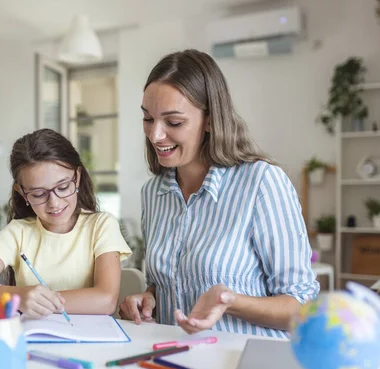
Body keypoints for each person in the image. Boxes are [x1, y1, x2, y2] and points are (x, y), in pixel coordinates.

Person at [118, 49, 319, 338]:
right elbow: (164, 284)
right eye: (148, 119)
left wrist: (231, 302)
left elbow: (302, 308)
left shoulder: (261, 182)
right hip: (173, 359)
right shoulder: (154, 192)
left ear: (211, 120)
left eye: (173, 122)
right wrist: (149, 298)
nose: (155, 135)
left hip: (243, 364)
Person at [0, 129, 132, 318]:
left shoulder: (101, 226)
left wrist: (41, 301)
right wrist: (19, 296)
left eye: (63, 187)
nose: (54, 203)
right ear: (22, 193)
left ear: (77, 177)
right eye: (39, 194)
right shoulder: (18, 232)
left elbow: (106, 301)